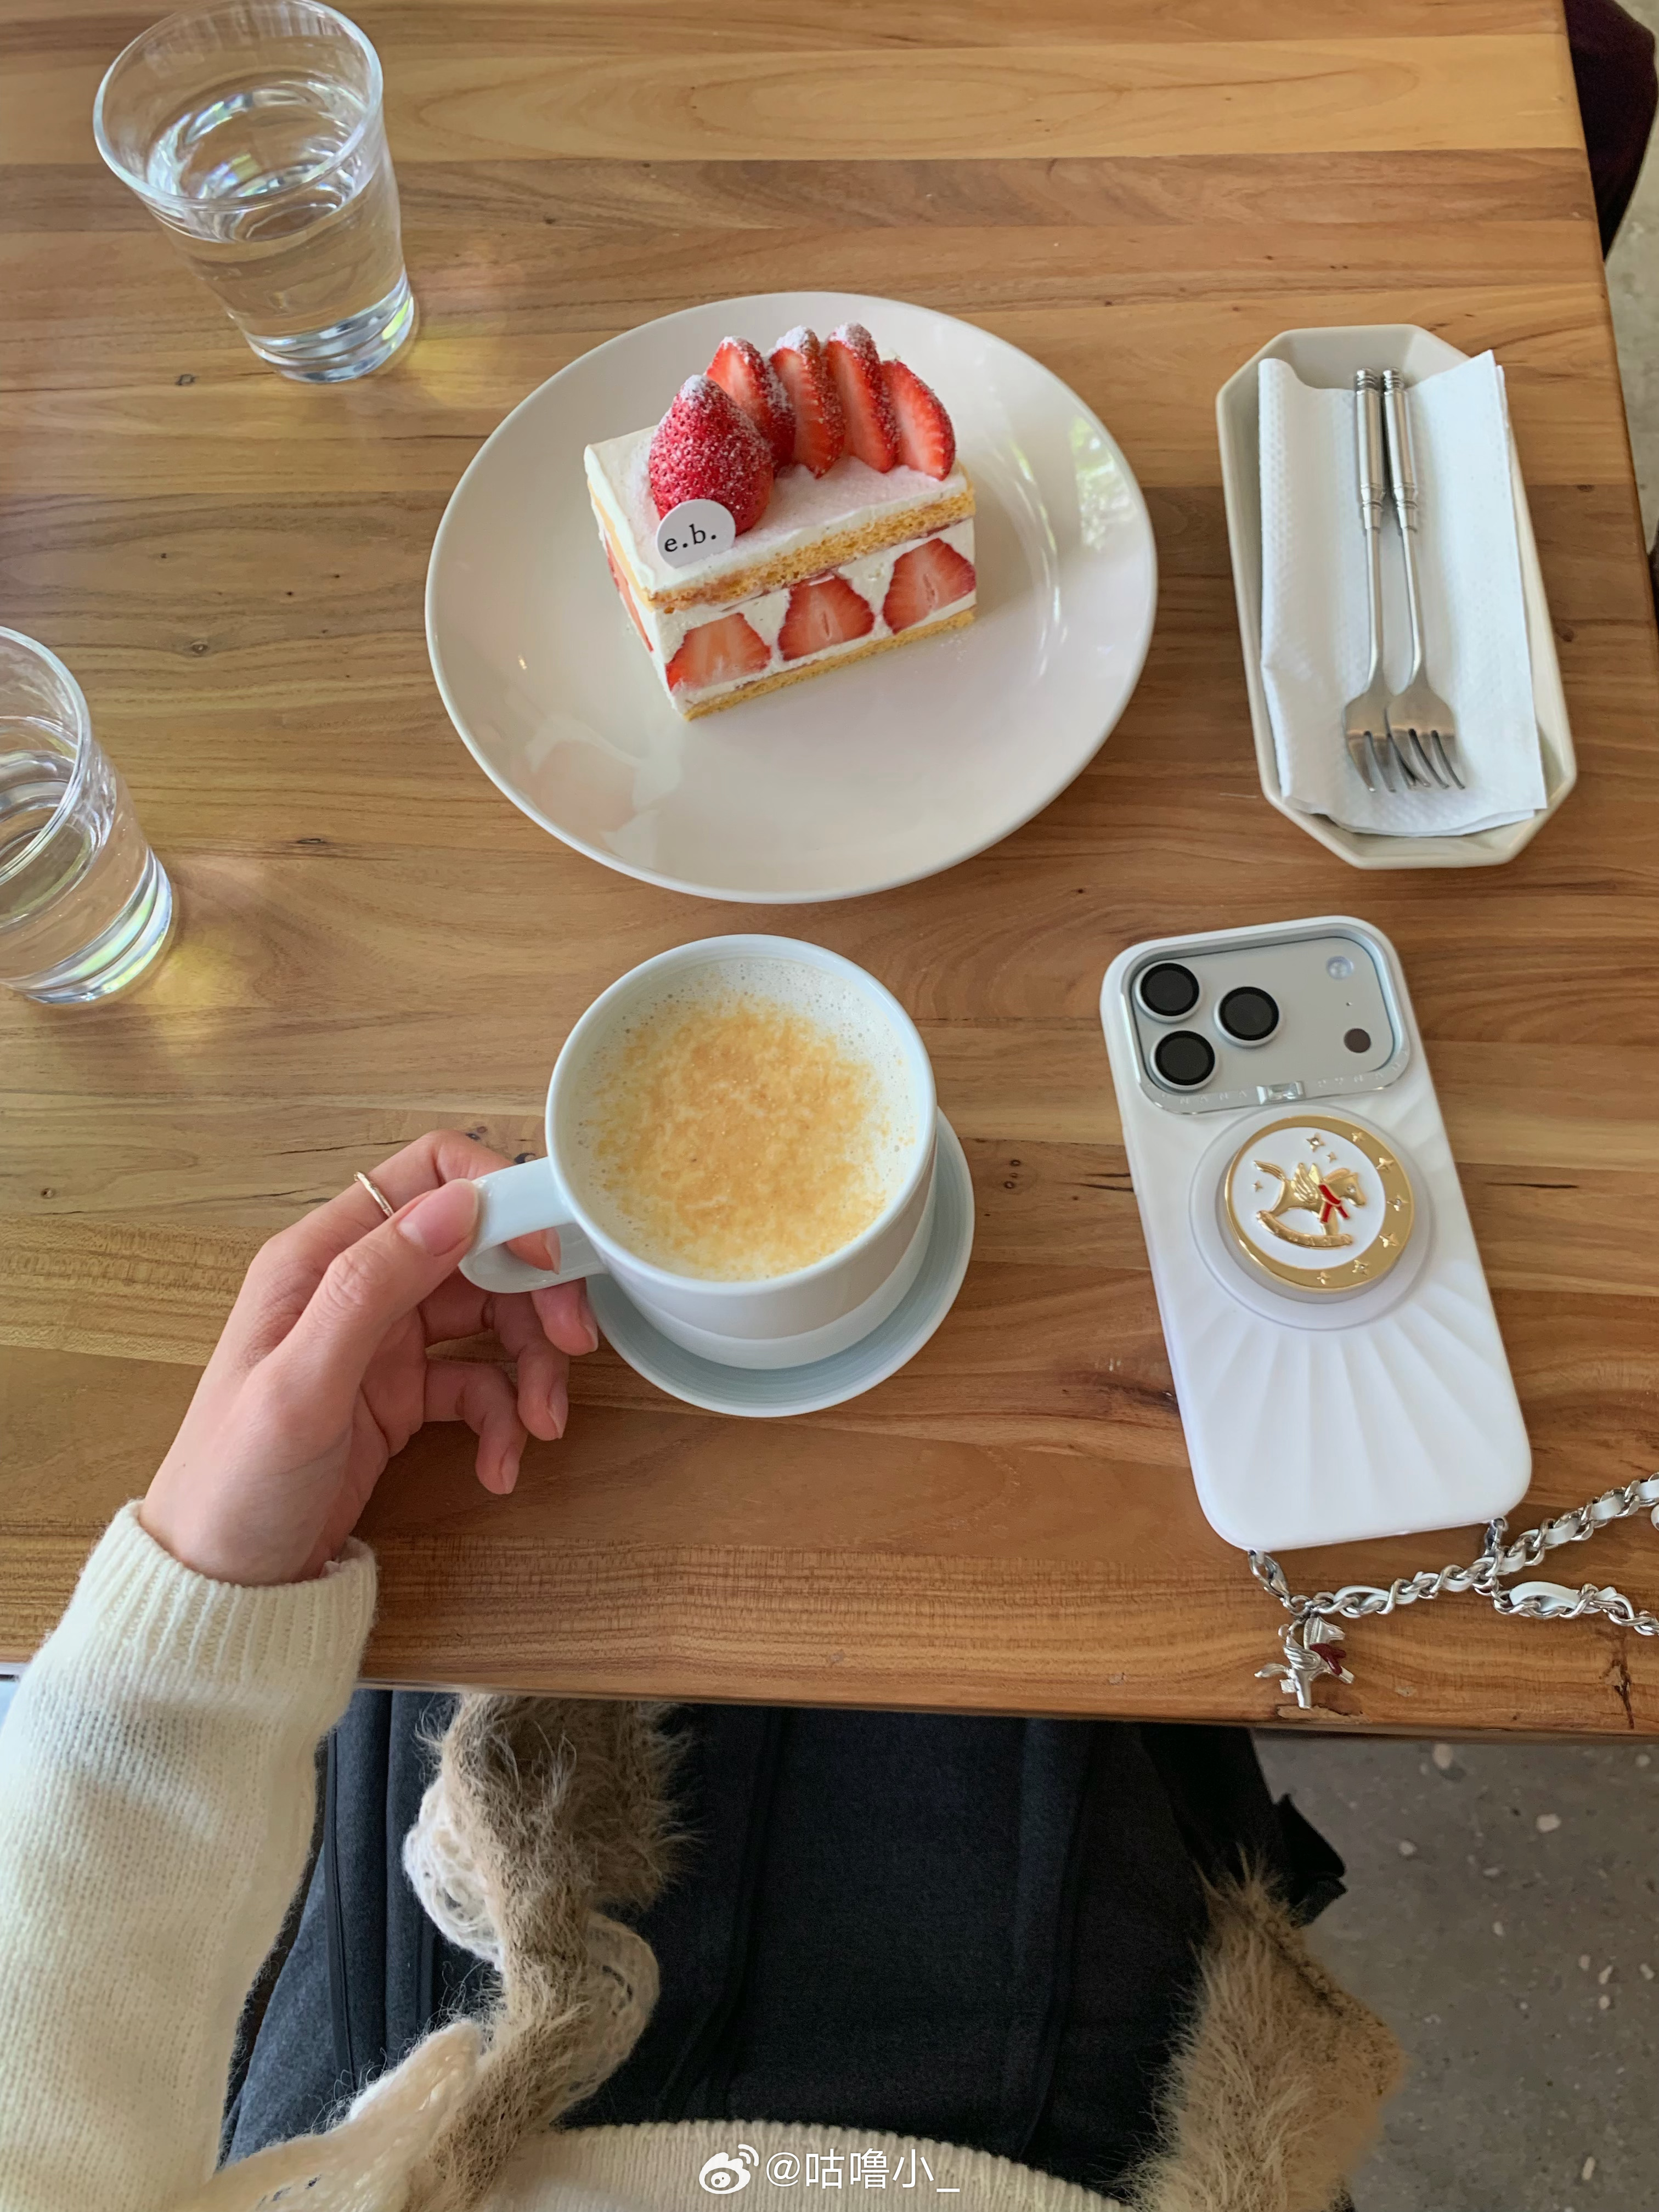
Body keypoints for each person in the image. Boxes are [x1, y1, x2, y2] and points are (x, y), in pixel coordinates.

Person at [0, 1134, 1401, 2212]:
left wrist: (184, 1640)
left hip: (409, 2133)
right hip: (1073, 2154)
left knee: (437, 1607)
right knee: (1080, 1661)